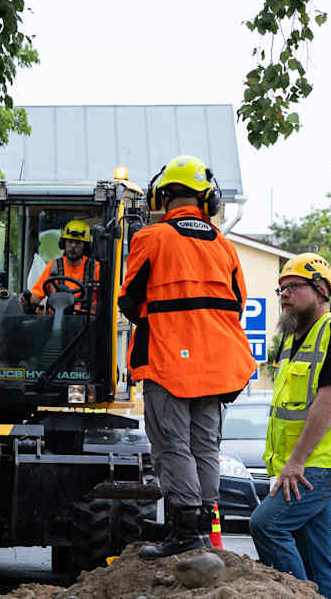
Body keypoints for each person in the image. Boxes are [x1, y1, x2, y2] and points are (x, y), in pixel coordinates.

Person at [118, 155, 256, 559]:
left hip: (167, 362)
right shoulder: (226, 248)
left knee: (171, 446)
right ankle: (206, 527)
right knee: (205, 448)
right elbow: (238, 304)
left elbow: (129, 299)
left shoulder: (151, 238)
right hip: (217, 367)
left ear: (163, 197)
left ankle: (184, 532)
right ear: (207, 200)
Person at [248, 253, 331, 599]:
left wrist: (296, 462)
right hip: (305, 462)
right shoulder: (289, 341)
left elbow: (328, 402)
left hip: (322, 460)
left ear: (320, 290)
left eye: (293, 287)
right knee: (317, 559)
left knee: (267, 526)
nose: (284, 295)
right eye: (280, 289)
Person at [21, 219, 101, 314]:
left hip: (86, 321)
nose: (73, 246)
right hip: (55, 319)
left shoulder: (95, 268)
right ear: (63, 243)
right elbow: (36, 296)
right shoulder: (53, 266)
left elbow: (104, 300)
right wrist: (26, 298)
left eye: (78, 242)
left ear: (86, 246)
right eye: (70, 241)